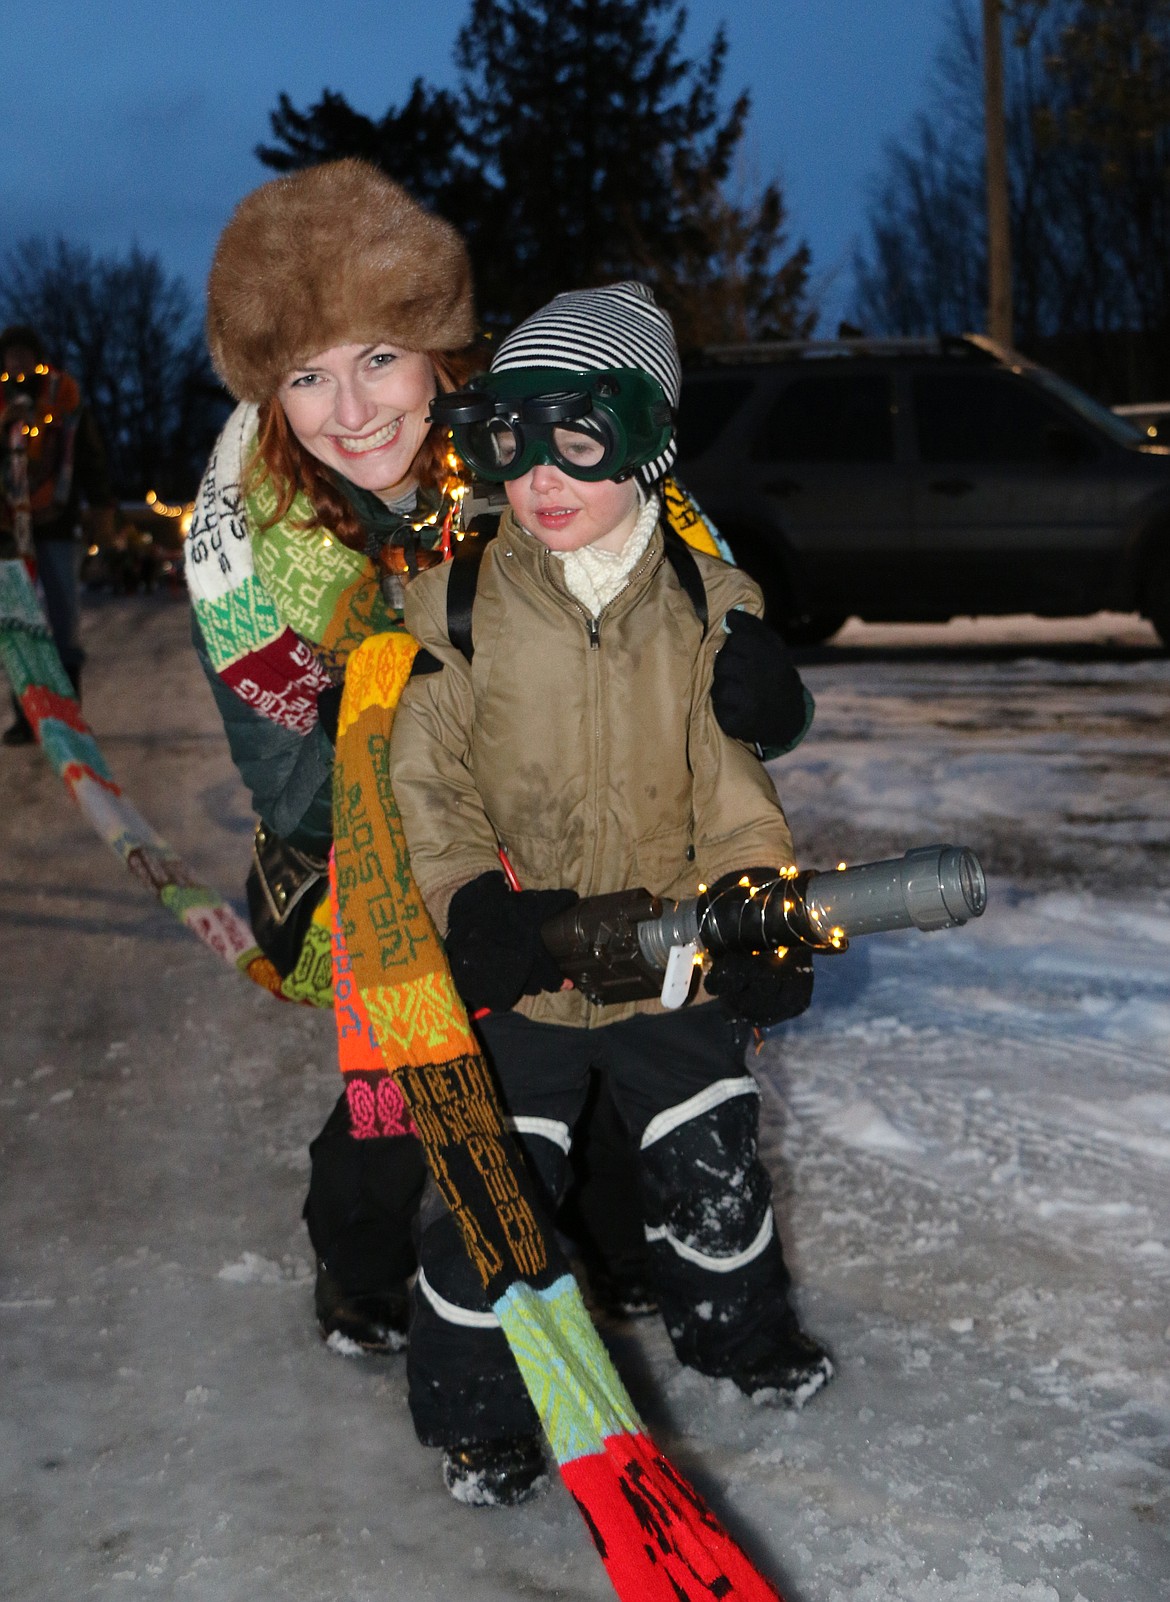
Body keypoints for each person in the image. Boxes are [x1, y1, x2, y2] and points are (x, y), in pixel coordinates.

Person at [186, 163, 811, 1365]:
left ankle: (622, 1253)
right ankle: (361, 1270)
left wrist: (762, 688)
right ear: (272, 394)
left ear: (438, 351)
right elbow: (286, 779)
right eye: (306, 376)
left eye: (378, 358)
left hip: (586, 828)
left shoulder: (535, 431)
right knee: (411, 1114)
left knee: (627, 1057)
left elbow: (688, 599)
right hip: (374, 850)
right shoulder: (244, 537)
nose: (352, 408)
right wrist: (413, 745)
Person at [389, 281, 833, 1508]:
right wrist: (473, 905)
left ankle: (739, 1335)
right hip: (524, 967)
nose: (541, 473)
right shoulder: (461, 609)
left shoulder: (705, 607)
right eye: (511, 439)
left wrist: (755, 905)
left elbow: (735, 794)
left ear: (647, 442)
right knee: (492, 1197)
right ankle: (482, 1410)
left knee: (712, 1160)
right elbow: (426, 784)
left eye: (578, 434)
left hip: (668, 957)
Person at [1, 325, 114, 743]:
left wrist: (101, 504)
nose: (16, 363)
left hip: (58, 523)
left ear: (37, 357)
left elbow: (88, 454)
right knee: (19, 621)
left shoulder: (64, 399)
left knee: (64, 618)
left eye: (23, 354)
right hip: (10, 532)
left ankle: (69, 712)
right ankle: (25, 714)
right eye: (9, 356)